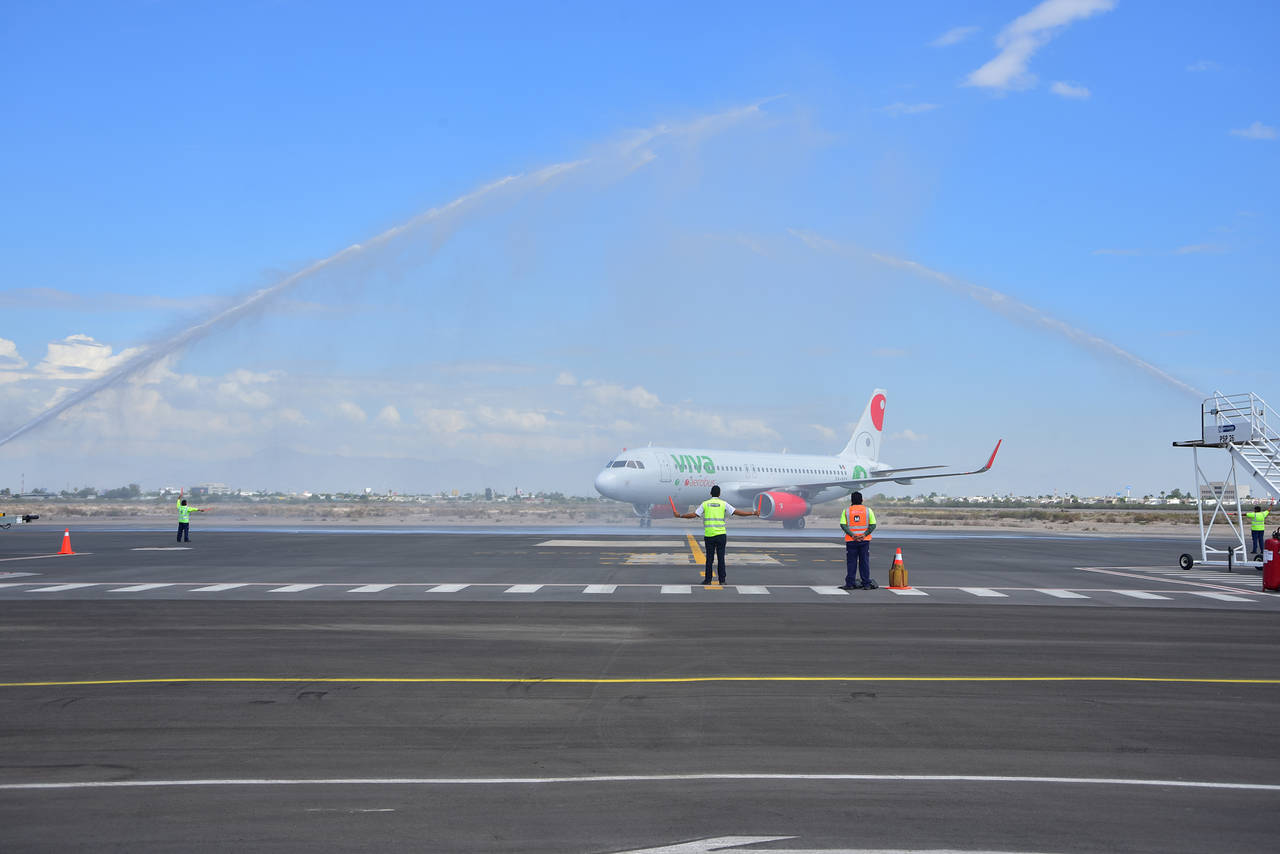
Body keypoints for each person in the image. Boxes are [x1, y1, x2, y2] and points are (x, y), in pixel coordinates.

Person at [675, 485, 759, 584]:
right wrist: (752, 513)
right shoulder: (723, 503)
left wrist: (680, 515)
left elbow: (694, 514)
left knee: (709, 559)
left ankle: (708, 580)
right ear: (719, 494)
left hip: (709, 535)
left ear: (710, 493)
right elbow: (737, 512)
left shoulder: (705, 504)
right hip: (721, 535)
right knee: (721, 559)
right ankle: (722, 580)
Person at [839, 491, 877, 590]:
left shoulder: (846, 511)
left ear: (851, 500)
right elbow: (873, 525)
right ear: (862, 500)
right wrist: (864, 535)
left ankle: (850, 584)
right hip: (864, 541)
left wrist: (853, 535)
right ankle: (866, 583)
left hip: (851, 541)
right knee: (864, 562)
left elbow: (843, 525)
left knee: (851, 563)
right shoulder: (868, 511)